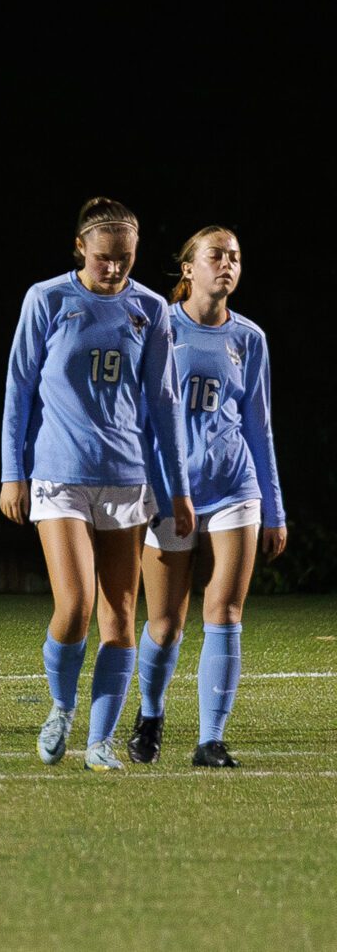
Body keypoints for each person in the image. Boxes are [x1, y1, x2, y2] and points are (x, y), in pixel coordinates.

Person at [0, 197, 194, 771]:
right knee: (76, 603)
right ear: (81, 248)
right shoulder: (48, 299)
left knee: (120, 615)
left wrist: (177, 488)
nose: (115, 269)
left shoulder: (151, 309)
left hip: (126, 480)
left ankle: (101, 743)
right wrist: (14, 471)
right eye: (105, 258)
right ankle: (60, 708)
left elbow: (164, 403)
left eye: (125, 259)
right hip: (59, 476)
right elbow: (19, 390)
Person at [130, 227, 286, 768]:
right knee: (166, 621)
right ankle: (150, 715)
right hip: (173, 494)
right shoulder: (158, 326)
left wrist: (275, 507)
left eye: (235, 257)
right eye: (216, 255)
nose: (227, 264)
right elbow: (142, 420)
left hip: (235, 489)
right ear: (188, 268)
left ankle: (210, 740)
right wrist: (152, 488)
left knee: (224, 609)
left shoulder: (250, 338)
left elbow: (260, 428)